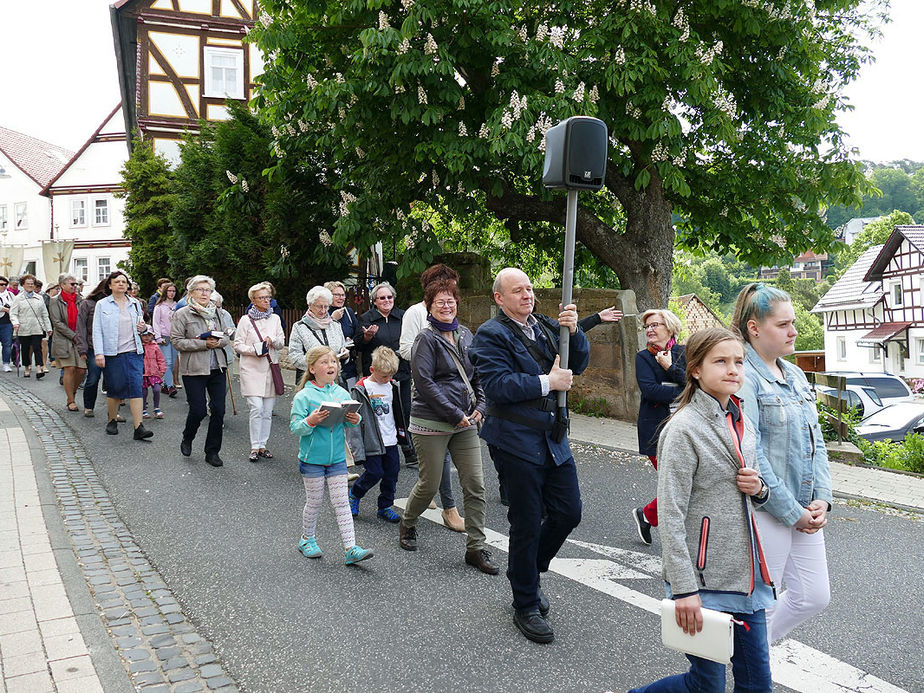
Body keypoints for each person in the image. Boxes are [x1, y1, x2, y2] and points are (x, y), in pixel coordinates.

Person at [628, 327, 775, 693]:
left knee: (758, 685)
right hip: (703, 584)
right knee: (705, 687)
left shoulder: (742, 420)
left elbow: (756, 490)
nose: (733, 370)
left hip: (747, 580)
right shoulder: (682, 429)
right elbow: (671, 515)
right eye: (721, 361)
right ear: (694, 369)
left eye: (739, 362)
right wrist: (684, 589)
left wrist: (760, 490)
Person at [469, 267, 588, 644]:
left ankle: (529, 569)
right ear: (499, 299)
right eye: (517, 290)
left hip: (554, 437)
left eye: (530, 288)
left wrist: (576, 331)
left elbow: (578, 364)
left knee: (569, 511)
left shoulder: (548, 326)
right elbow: (498, 387)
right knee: (526, 520)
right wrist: (547, 382)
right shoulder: (490, 335)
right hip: (515, 440)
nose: (527, 295)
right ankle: (525, 602)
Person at [733, 283, 831, 643]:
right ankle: (755, 670)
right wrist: (793, 512)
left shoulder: (796, 375)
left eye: (793, 323)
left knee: (814, 595)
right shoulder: (745, 377)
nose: (794, 331)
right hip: (766, 508)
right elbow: (751, 452)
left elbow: (815, 441)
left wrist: (822, 498)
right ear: (754, 328)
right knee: (765, 602)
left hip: (804, 504)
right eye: (783, 324)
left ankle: (745, 656)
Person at [398, 280, 497, 574]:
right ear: (429, 306)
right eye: (440, 302)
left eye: (451, 300)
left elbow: (478, 375)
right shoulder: (424, 340)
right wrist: (455, 414)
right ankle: (408, 522)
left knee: (475, 483)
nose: (446, 306)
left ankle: (476, 547)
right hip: (431, 421)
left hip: (465, 421)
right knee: (429, 484)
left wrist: (481, 406)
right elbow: (426, 384)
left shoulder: (466, 334)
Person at [290, 345, 373, 565]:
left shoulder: (341, 393)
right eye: (325, 362)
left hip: (337, 458)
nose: (331, 366)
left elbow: (347, 419)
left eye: (334, 362)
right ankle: (306, 539)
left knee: (342, 502)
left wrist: (354, 419)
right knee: (315, 501)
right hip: (311, 460)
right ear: (312, 368)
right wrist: (311, 421)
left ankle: (350, 548)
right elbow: (296, 427)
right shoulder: (304, 396)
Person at [398, 263, 465, 531]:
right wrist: (429, 358)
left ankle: (427, 491)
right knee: (442, 451)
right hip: (429, 390)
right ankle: (449, 508)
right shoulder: (416, 313)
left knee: (441, 454)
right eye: (447, 285)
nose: (450, 294)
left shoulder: (451, 310)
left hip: (457, 393)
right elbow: (404, 347)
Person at [632, 308, 686, 546]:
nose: (650, 330)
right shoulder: (643, 357)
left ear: (670, 328)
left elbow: (697, 380)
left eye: (655, 325)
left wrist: (669, 368)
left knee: (682, 481)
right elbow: (650, 391)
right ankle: (653, 518)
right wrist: (685, 393)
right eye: (648, 326)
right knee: (676, 482)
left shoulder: (684, 353)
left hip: (685, 428)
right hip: (655, 430)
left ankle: (647, 515)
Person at [171, 276, 231, 467]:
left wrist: (218, 341)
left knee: (219, 410)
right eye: (200, 289)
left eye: (208, 290)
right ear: (191, 293)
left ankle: (212, 451)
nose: (205, 293)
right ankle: (188, 437)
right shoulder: (182, 314)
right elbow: (176, 341)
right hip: (194, 369)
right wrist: (203, 344)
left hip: (217, 367)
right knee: (198, 410)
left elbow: (227, 336)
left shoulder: (218, 313)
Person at [346, 346, 406, 523]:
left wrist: (403, 437)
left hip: (390, 439)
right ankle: (355, 493)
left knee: (392, 473)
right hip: (371, 440)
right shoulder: (361, 389)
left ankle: (385, 506)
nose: (387, 379)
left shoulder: (392, 386)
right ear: (372, 370)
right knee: (374, 473)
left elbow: (398, 412)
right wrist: (356, 448)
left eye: (390, 376)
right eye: (384, 376)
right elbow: (353, 421)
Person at [359, 282, 416, 466]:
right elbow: (358, 346)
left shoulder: (403, 317)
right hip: (377, 378)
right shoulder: (366, 318)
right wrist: (367, 337)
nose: (386, 301)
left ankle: (408, 449)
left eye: (389, 297)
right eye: (382, 298)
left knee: (404, 411)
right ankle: (378, 451)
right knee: (381, 414)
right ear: (375, 301)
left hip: (401, 373)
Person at [91, 271, 153, 441]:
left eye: (124, 282)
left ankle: (138, 427)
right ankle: (112, 419)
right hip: (113, 353)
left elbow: (142, 326)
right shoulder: (102, 305)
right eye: (117, 281)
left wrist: (143, 328)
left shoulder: (135, 304)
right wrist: (99, 353)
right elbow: (97, 330)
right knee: (115, 388)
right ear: (110, 285)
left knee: (136, 387)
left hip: (134, 351)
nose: (121, 284)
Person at [235, 282, 286, 462]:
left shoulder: (275, 319)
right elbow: (238, 344)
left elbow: (281, 340)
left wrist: (272, 340)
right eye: (262, 297)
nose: (266, 301)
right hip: (251, 368)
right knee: (256, 408)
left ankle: (263, 445)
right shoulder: (245, 320)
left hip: (270, 368)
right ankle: (254, 446)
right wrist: (255, 349)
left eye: (268, 297)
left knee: (267, 410)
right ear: (253, 300)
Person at [289, 286, 349, 385]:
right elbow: (295, 357)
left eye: (326, 306)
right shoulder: (299, 327)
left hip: (335, 382)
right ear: (310, 305)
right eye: (319, 306)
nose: (323, 310)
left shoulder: (335, 325)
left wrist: (345, 354)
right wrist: (318, 366)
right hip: (310, 382)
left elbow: (342, 348)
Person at [48, 273, 87, 411]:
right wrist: (73, 335)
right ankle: (71, 400)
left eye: (76, 284)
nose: (75, 286)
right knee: (69, 368)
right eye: (72, 284)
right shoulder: (54, 301)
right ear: (62, 285)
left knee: (81, 370)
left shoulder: (81, 300)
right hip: (63, 339)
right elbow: (57, 322)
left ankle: (73, 391)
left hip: (79, 338)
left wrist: (81, 335)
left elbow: (85, 318)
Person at [75, 278, 109, 418]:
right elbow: (81, 327)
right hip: (92, 347)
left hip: (112, 348)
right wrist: (82, 349)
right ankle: (89, 406)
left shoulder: (118, 304)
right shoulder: (87, 304)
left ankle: (114, 411)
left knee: (112, 380)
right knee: (93, 377)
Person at [10, 274, 51, 379]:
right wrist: (15, 322)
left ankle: (38, 367)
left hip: (37, 326)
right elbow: (13, 313)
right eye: (28, 284)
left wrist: (48, 328)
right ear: (23, 285)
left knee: (38, 347)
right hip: (24, 327)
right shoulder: (18, 298)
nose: (30, 286)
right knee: (25, 348)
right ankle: (27, 367)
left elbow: (44, 314)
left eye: (32, 284)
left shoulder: (39, 298)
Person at [325, 280, 359, 387]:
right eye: (337, 295)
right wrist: (333, 319)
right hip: (329, 364)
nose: (341, 298)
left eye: (343, 295)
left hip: (348, 363)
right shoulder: (324, 312)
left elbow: (357, 331)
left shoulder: (348, 312)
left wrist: (351, 340)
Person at [152, 282, 178, 397]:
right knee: (167, 361)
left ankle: (165, 385)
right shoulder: (159, 307)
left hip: (175, 337)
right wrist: (157, 337)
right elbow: (156, 323)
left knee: (172, 363)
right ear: (165, 292)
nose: (171, 293)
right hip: (164, 337)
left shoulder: (178, 306)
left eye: (173, 291)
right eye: (169, 291)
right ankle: (171, 386)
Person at [140, 329, 166, 419]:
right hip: (143, 373)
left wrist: (162, 370)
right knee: (143, 392)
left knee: (157, 389)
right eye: (144, 335)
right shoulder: (139, 347)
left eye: (149, 335)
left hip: (154, 372)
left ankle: (156, 408)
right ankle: (143, 409)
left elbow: (160, 359)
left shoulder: (155, 347)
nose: (147, 337)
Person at [0, 276, 15, 372]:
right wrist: (5, 309)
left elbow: (15, 305)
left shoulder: (10, 295)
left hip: (7, 322)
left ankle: (6, 363)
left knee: (7, 344)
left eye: (5, 284)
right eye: (1, 284)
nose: (3, 286)